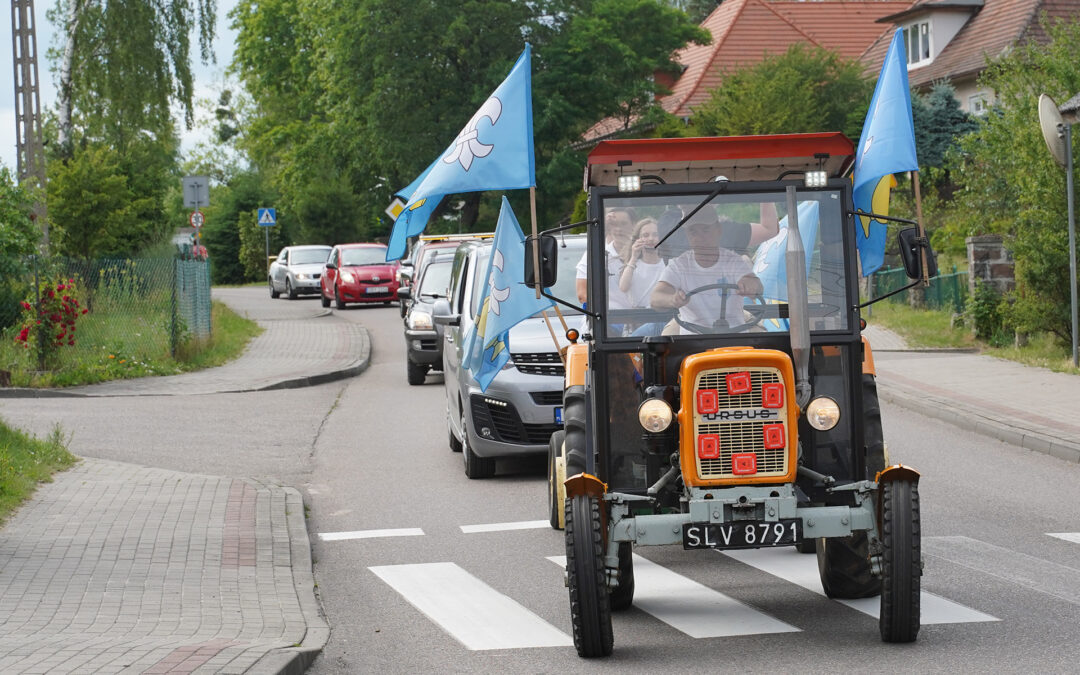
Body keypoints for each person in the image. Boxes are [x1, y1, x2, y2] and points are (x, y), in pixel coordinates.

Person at [650, 212, 763, 333]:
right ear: (687, 236)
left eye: (705, 230)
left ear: (718, 230)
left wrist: (750, 285)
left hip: (734, 337)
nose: (700, 237)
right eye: (693, 232)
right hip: (693, 339)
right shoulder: (679, 265)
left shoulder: (733, 261)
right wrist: (672, 299)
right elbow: (656, 298)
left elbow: (755, 285)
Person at [576, 207, 634, 330]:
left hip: (645, 318)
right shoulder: (595, 254)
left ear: (634, 225)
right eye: (614, 225)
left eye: (624, 224)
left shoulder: (647, 252)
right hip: (607, 322)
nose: (619, 229)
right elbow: (582, 295)